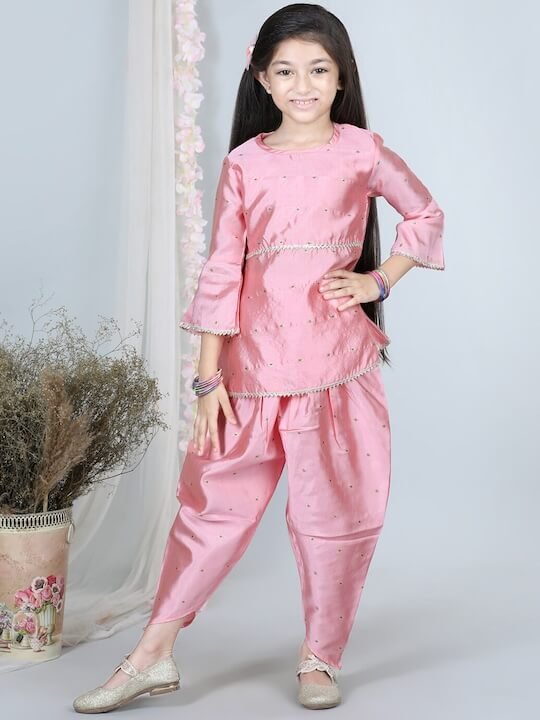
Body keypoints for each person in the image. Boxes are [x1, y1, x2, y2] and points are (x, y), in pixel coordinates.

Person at [73, 2, 445, 713]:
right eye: (286, 71)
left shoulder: (361, 150)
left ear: (341, 78)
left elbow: (425, 213)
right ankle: (152, 655)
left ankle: (320, 658)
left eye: (318, 70)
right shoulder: (244, 163)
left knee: (333, 518)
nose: (303, 85)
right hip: (250, 373)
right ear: (262, 80)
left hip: (337, 369)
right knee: (211, 513)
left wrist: (376, 282)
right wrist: (206, 378)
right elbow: (223, 270)